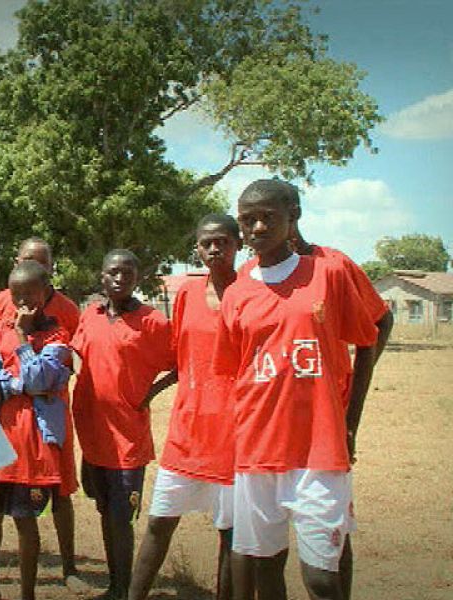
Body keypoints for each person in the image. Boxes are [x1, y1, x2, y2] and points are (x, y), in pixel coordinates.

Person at [213, 179, 385, 600]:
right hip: (257, 450)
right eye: (247, 220)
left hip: (319, 450)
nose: (256, 228)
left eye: (267, 218)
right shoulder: (236, 292)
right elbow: (237, 371)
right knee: (267, 571)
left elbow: (366, 342)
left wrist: (350, 422)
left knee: (323, 580)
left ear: (293, 217)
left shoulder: (328, 275)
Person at [129, 214, 242, 600]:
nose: (214, 248)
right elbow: (180, 359)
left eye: (223, 241)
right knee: (159, 523)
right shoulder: (187, 295)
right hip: (187, 432)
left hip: (236, 434)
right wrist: (152, 390)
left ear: (238, 245)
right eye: (206, 242)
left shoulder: (252, 293)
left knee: (231, 535)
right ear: (196, 248)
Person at [0, 237, 86, 592]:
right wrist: (8, 383)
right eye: (17, 296)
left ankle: (32, 590)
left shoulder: (57, 332)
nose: (23, 303)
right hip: (1, 437)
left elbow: (42, 380)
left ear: (47, 289)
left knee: (27, 518)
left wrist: (24, 344)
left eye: (31, 294)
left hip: (37, 438)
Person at [71, 249, 175, 600]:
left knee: (121, 517)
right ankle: (116, 584)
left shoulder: (153, 322)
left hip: (128, 438)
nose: (119, 279)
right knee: (104, 510)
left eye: (127, 274)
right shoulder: (90, 316)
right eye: (113, 272)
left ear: (137, 279)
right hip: (93, 436)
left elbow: (182, 361)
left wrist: (150, 392)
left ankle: (123, 589)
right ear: (102, 276)